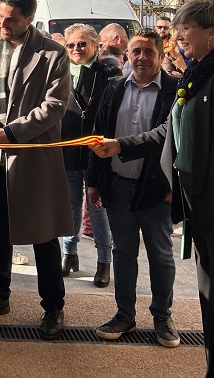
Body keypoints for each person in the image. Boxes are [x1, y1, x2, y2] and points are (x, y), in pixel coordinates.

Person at [91, 0, 214, 377]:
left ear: (212, 32)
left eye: (186, 28)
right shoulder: (201, 76)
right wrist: (120, 145)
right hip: (208, 215)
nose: (178, 35)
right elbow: (170, 132)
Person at [0, 0, 72, 340]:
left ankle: (53, 307)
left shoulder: (53, 54)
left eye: (11, 19)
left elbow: (55, 105)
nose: (2, 24)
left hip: (32, 157)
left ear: (29, 18)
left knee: (43, 235)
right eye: (0, 17)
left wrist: (14, 131)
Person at [87, 29, 180, 348]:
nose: (141, 57)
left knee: (161, 254)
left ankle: (162, 316)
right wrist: (94, 181)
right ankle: (124, 314)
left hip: (155, 189)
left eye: (148, 52)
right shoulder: (113, 89)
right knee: (123, 253)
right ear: (127, 54)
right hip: (117, 187)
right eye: (136, 51)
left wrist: (173, 187)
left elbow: (173, 141)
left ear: (160, 54)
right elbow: (98, 135)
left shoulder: (175, 91)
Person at [59, 23, 118, 288]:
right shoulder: (60, 72)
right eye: (71, 44)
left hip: (97, 150)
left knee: (97, 209)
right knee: (69, 207)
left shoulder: (108, 72)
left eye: (82, 44)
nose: (76, 49)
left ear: (96, 46)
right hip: (67, 148)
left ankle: (104, 261)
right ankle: (69, 254)